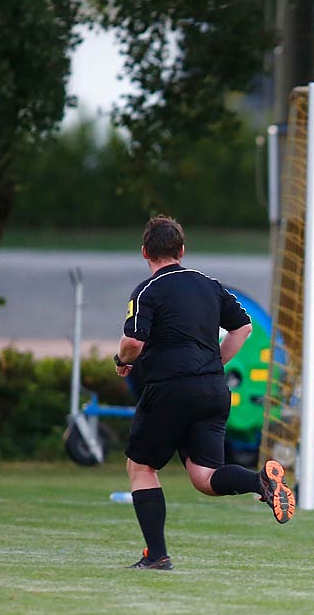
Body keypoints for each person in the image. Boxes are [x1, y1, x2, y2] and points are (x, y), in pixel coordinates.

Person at [117, 215, 294, 571]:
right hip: (214, 388)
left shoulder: (147, 291)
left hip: (169, 389)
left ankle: (157, 555)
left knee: (141, 466)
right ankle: (261, 482)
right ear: (181, 251)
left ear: (144, 253)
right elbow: (243, 327)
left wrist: (121, 362)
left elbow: (134, 341)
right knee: (205, 477)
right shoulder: (209, 285)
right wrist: (215, 363)